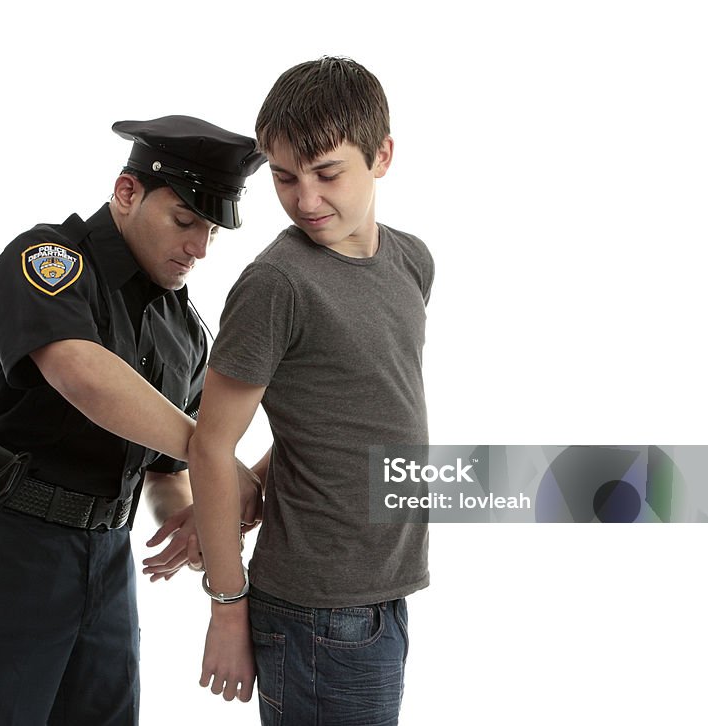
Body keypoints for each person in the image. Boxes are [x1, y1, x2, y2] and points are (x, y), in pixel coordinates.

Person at [0, 115, 267, 726]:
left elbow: (164, 470)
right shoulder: (46, 259)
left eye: (209, 232)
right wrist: (217, 459)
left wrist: (203, 517)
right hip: (0, 553)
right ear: (127, 194)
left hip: (106, 562)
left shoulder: (184, 329)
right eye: (184, 221)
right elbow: (80, 373)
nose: (198, 249)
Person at [188, 58, 434, 725]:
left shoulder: (411, 260)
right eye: (284, 176)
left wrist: (263, 484)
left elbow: (346, 412)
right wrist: (227, 608)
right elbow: (210, 447)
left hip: (384, 589)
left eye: (327, 173)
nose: (305, 199)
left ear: (381, 155)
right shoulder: (278, 284)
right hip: (316, 611)